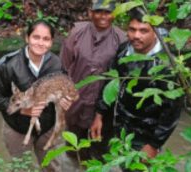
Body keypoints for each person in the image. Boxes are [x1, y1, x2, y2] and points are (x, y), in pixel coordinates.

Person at [91, 8, 181, 166]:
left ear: (155, 32)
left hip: (146, 133)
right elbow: (110, 82)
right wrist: (99, 114)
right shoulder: (124, 50)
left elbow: (172, 111)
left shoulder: (166, 66)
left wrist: (154, 144)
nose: (136, 36)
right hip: (121, 124)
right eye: (132, 29)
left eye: (143, 31)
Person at [0, 20, 72, 172]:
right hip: (17, 128)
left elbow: (63, 87)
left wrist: (65, 100)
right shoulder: (8, 65)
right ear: (27, 38)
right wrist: (22, 110)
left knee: (52, 166)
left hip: (47, 127)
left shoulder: (56, 64)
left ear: (52, 42)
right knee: (21, 167)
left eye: (46, 39)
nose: (40, 43)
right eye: (36, 37)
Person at [60, 0, 126, 160]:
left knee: (100, 152)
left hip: (103, 110)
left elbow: (122, 77)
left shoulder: (121, 39)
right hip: (75, 104)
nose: (103, 16)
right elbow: (63, 66)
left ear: (114, 14)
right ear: (91, 13)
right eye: (99, 12)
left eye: (107, 12)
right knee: (73, 150)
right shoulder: (77, 33)